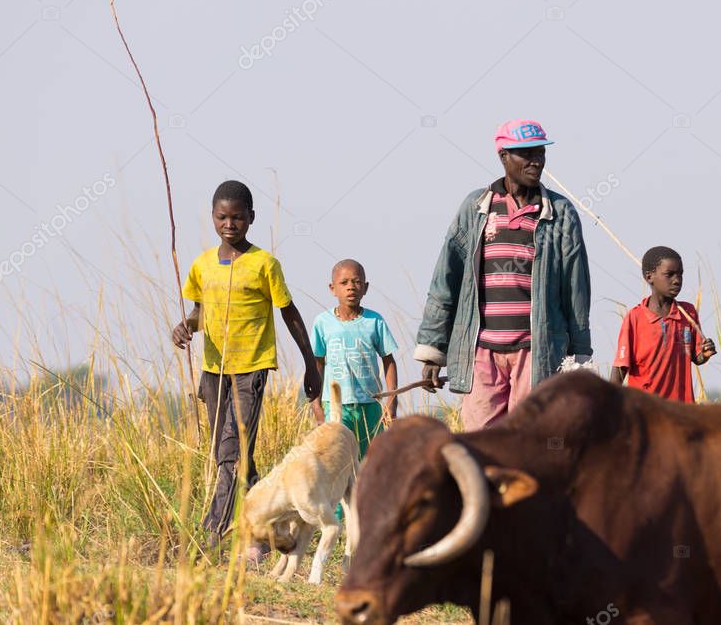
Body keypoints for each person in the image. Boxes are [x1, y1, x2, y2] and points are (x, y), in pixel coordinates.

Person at [414, 119, 592, 431]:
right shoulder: (477, 208)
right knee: (482, 444)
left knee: (530, 444)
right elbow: (446, 279)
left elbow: (576, 289)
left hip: (536, 354)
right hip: (481, 351)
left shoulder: (559, 213)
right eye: (527, 153)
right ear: (504, 156)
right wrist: (433, 351)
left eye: (540, 152)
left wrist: (580, 355)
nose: (536, 160)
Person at [172, 180, 320, 547]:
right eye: (222, 217)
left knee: (231, 452)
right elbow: (198, 312)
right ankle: (266, 524)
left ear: (251, 218)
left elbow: (289, 313)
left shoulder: (264, 264)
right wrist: (185, 327)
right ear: (212, 217)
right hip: (213, 369)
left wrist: (310, 364)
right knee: (230, 453)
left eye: (238, 217)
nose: (230, 224)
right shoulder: (202, 264)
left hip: (251, 368)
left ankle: (213, 531)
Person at [309, 258, 398, 458]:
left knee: (371, 461)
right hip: (336, 405)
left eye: (357, 282)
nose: (351, 287)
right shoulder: (323, 323)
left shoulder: (374, 321)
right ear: (332, 288)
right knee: (339, 460)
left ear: (365, 287)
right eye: (344, 283)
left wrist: (391, 401)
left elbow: (388, 361)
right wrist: (317, 406)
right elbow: (317, 364)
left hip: (371, 405)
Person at [610, 246, 717, 402]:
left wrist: (705, 354)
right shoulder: (635, 317)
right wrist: (608, 403)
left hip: (682, 409)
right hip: (645, 410)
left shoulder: (688, 313)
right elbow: (620, 367)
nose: (677, 281)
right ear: (649, 277)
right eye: (670, 275)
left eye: (680, 275)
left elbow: (696, 357)